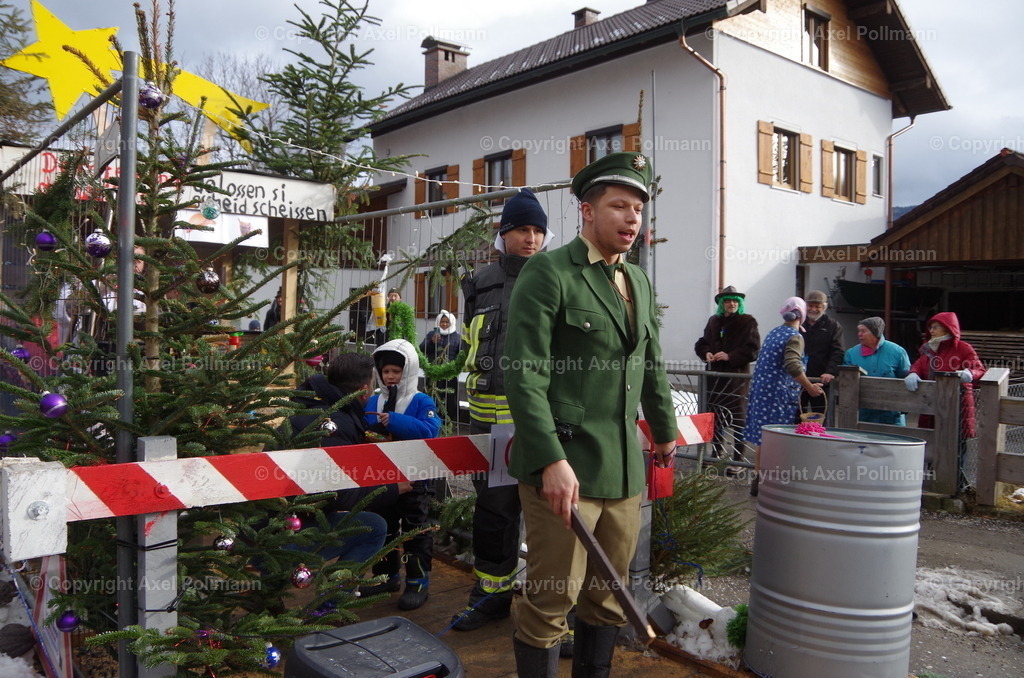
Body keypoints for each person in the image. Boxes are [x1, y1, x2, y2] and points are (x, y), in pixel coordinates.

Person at [503, 152, 679, 677]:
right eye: (619, 206)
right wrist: (551, 460)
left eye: (639, 210)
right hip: (566, 467)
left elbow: (649, 361)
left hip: (623, 467)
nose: (632, 220)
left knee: (608, 598)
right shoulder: (550, 272)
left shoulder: (638, 282)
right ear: (586, 210)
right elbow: (524, 373)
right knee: (549, 603)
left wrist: (665, 429)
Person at [451, 187, 554, 633]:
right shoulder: (481, 282)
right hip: (489, 424)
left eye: (538, 231)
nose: (531, 239)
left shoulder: (555, 278)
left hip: (542, 425)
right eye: (522, 230)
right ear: (504, 233)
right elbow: (472, 350)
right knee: (494, 514)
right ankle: (490, 597)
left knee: (552, 517)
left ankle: (552, 614)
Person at [279, 352, 388, 567]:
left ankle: (271, 596)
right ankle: (332, 596)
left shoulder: (312, 406)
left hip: (270, 521)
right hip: (285, 533)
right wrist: (392, 489)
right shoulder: (335, 423)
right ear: (364, 391)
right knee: (374, 527)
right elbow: (339, 493)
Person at [363, 339, 441, 610]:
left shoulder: (421, 400)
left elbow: (430, 431)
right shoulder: (375, 399)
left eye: (396, 371)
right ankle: (386, 576)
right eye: (386, 372)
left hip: (414, 478)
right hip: (381, 477)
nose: (390, 376)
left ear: (407, 371)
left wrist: (395, 421)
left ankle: (418, 581)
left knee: (415, 531)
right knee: (383, 529)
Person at [743, 297, 824, 496]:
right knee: (777, 439)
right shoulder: (794, 337)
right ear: (802, 315)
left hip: (760, 393)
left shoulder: (774, 332)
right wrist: (809, 387)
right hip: (777, 396)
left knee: (764, 439)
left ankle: (758, 482)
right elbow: (792, 365)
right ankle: (773, 486)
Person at [693, 285, 759, 464]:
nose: (732, 303)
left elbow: (753, 350)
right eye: (728, 300)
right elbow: (702, 342)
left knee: (738, 419)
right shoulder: (714, 321)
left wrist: (731, 356)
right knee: (716, 418)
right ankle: (717, 454)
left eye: (735, 301)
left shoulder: (747, 321)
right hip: (715, 379)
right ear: (722, 303)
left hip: (736, 380)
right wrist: (706, 352)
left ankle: (738, 458)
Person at [905, 312, 985, 438]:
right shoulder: (928, 348)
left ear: (947, 327)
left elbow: (979, 369)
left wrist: (970, 373)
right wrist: (913, 373)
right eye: (930, 327)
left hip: (957, 403)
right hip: (930, 401)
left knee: (955, 444)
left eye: (936, 327)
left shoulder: (963, 348)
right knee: (930, 441)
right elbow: (919, 365)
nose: (931, 330)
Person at [842, 317, 911, 425]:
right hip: (863, 413)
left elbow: (905, 377)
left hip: (891, 413)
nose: (859, 334)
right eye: (858, 331)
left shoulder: (897, 352)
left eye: (863, 331)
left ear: (875, 332)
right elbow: (846, 381)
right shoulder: (851, 353)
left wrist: (905, 405)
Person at [800, 290, 844, 419]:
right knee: (796, 416)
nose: (813, 309)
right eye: (810, 305)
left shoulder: (833, 326)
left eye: (817, 306)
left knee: (821, 417)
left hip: (821, 380)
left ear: (824, 307)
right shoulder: (799, 324)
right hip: (799, 380)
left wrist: (831, 372)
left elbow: (838, 350)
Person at [419, 310, 461, 422]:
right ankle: (431, 419)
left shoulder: (456, 337)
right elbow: (422, 349)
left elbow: (460, 354)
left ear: (451, 323)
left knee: (449, 398)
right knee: (432, 396)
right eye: (442, 322)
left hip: (449, 374)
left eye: (447, 322)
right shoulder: (431, 335)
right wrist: (432, 342)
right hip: (433, 373)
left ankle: (449, 422)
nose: (444, 324)